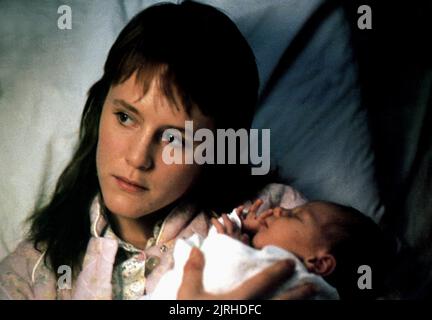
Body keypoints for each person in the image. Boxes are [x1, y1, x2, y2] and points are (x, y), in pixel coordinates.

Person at [0, 1, 314, 300]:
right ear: (99, 110)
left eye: (176, 139)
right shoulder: (32, 272)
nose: (137, 158)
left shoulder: (276, 220)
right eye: (125, 118)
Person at [148, 199, 390, 300]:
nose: (279, 210)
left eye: (296, 216)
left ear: (320, 262)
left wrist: (231, 240)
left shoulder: (288, 268)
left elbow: (226, 263)